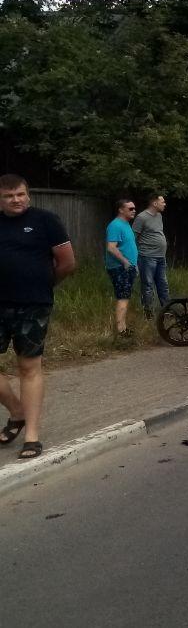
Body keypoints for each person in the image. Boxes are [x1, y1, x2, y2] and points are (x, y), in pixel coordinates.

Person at [0, 174, 76, 460]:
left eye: (20, 194)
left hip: (34, 305)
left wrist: (42, 285)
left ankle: (31, 436)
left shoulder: (46, 221)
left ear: (28, 195)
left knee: (28, 367)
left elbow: (67, 263)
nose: (16, 200)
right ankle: (16, 412)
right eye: (8, 196)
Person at [105, 199, 139, 336]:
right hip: (120, 267)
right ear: (121, 210)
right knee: (122, 297)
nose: (134, 210)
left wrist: (134, 265)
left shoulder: (126, 225)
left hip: (128, 267)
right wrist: (125, 262)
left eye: (134, 208)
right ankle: (121, 331)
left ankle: (124, 328)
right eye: (130, 208)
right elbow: (111, 248)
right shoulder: (115, 225)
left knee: (125, 297)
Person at [133, 193, 169, 319]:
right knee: (148, 285)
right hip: (147, 257)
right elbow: (134, 237)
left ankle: (167, 311)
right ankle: (148, 314)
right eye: (162, 202)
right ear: (155, 203)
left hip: (161, 257)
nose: (164, 204)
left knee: (163, 284)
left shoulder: (159, 216)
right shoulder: (141, 217)